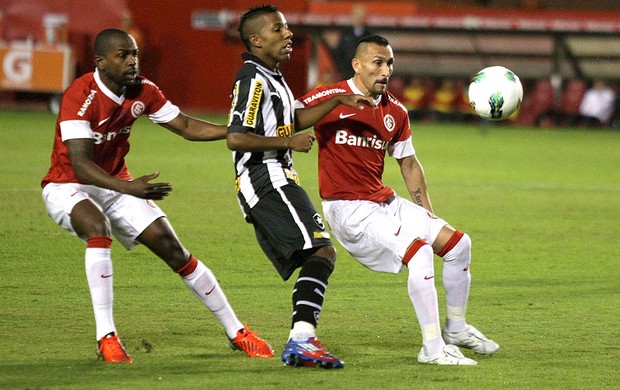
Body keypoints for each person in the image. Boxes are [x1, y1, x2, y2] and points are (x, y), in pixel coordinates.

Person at [40, 28, 274, 363]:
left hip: (116, 184)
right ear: (101, 62)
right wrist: (129, 187)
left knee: (174, 250)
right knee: (97, 226)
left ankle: (237, 331)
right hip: (68, 185)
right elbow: (79, 163)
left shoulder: (143, 90)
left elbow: (186, 127)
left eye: (134, 53)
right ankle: (106, 338)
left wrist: (234, 131)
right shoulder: (81, 95)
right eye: (123, 55)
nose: (133, 61)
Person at [296, 35, 499, 365]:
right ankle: (432, 350)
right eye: (378, 62)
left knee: (459, 245)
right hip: (348, 208)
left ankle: (456, 329)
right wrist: (290, 138)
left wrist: (428, 217)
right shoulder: (331, 97)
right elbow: (284, 113)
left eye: (389, 63)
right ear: (357, 65)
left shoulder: (395, 111)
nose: (385, 70)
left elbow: (408, 163)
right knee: (418, 254)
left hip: (381, 200)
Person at [226, 5, 374, 369]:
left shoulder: (273, 75)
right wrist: (287, 144)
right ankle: (301, 339)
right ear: (257, 40)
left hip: (278, 178)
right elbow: (236, 138)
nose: (288, 34)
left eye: (288, 27)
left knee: (319, 253)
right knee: (321, 252)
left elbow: (292, 119)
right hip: (266, 178)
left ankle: (301, 339)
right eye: (278, 29)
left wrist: (337, 100)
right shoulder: (253, 81)